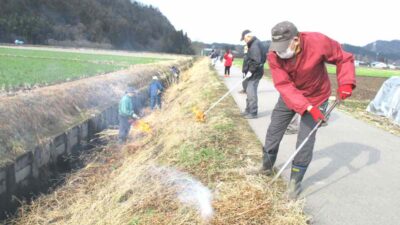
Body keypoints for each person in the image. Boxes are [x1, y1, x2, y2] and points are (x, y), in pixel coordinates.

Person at [261, 21, 356, 198]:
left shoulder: (317, 42)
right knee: (274, 129)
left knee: (305, 139)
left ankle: (294, 184)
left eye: (283, 47)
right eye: (277, 47)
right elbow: (283, 84)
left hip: (317, 95)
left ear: (296, 40)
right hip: (289, 94)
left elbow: (343, 57)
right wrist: (306, 107)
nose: (280, 52)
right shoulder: (274, 55)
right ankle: (266, 166)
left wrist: (346, 83)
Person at [240, 30, 266, 119]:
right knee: (248, 91)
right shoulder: (252, 44)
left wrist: (250, 71)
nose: (244, 41)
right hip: (251, 72)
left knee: (251, 92)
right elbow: (248, 58)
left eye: (244, 39)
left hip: (255, 73)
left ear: (248, 36)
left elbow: (256, 61)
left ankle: (253, 112)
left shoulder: (255, 45)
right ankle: (248, 110)